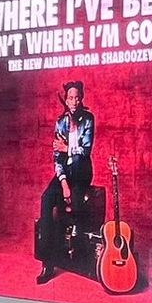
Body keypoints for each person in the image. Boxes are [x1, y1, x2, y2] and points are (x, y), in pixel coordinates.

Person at [36, 80, 96, 284]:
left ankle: (79, 253)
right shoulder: (60, 122)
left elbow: (86, 150)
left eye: (78, 97)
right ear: (66, 99)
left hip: (81, 172)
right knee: (46, 199)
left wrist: (67, 148)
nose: (74, 101)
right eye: (71, 97)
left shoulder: (88, 119)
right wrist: (63, 184)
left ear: (82, 98)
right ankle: (47, 262)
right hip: (66, 174)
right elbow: (57, 158)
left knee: (78, 163)